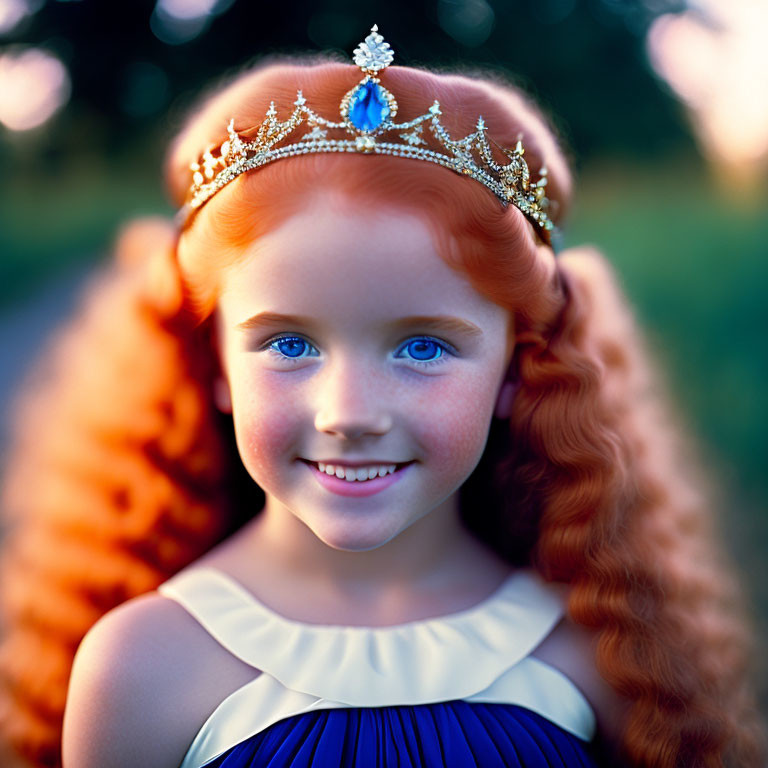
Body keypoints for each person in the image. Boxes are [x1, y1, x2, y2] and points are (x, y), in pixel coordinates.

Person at [0, 25, 764, 768]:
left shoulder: (605, 658)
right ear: (216, 367)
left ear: (517, 367)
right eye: (289, 344)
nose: (351, 413)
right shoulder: (143, 667)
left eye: (422, 346)